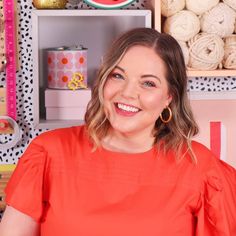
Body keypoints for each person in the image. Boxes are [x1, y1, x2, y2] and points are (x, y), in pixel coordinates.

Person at [0, 27, 236, 236]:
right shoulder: (48, 153)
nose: (127, 93)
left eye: (148, 83)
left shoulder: (201, 169)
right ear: (103, 79)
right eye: (118, 75)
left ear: (169, 97)